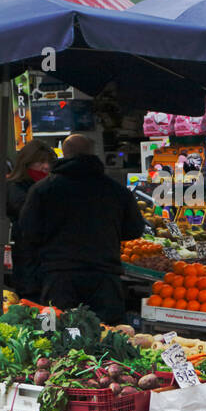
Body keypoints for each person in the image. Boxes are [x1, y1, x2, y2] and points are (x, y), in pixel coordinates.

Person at [19, 134, 144, 323]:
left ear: (64, 154)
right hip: (105, 280)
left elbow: (28, 231)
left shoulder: (42, 190)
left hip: (57, 279)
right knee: (108, 339)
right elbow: (135, 229)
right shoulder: (116, 190)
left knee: (54, 338)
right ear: (92, 153)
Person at [5, 139, 56, 299]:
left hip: (45, 265)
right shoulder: (14, 188)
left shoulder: (49, 187)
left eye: (49, 162)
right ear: (27, 162)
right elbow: (31, 215)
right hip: (28, 264)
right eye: (41, 162)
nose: (46, 167)